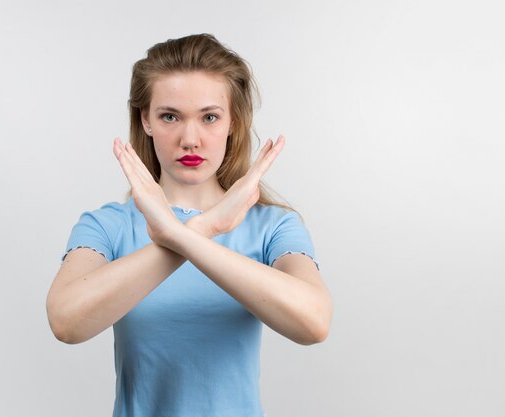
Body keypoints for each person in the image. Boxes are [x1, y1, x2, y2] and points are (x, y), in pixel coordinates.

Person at [46, 33, 332, 417]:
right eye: (169, 116)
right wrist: (207, 227)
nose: (190, 139)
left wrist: (185, 235)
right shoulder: (107, 225)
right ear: (145, 119)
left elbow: (314, 322)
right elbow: (66, 321)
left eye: (209, 117)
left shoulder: (273, 226)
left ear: (233, 122)